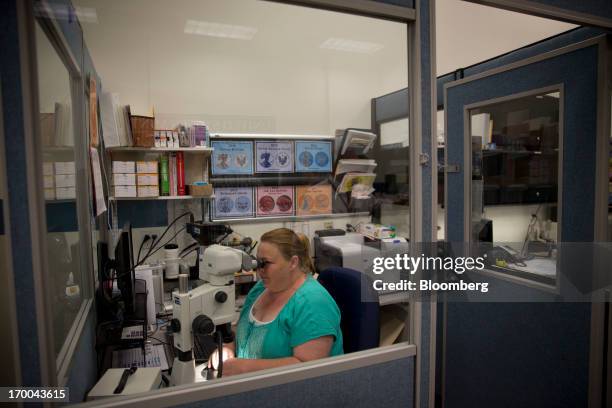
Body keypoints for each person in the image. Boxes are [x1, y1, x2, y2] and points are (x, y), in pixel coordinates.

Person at [209, 228, 343, 376]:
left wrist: (244, 368)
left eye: (266, 263)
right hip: (251, 385)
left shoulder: (313, 303)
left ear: (293, 262)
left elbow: (308, 368)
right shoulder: (261, 288)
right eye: (258, 262)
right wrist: (229, 347)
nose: (260, 270)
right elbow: (244, 330)